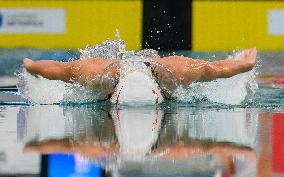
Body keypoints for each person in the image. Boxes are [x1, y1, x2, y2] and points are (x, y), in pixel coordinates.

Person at [23, 47, 257, 100]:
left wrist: (245, 63)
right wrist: (31, 66)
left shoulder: (170, 73)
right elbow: (61, 69)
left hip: (154, 70)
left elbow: (212, 68)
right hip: (118, 70)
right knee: (73, 70)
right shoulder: (102, 76)